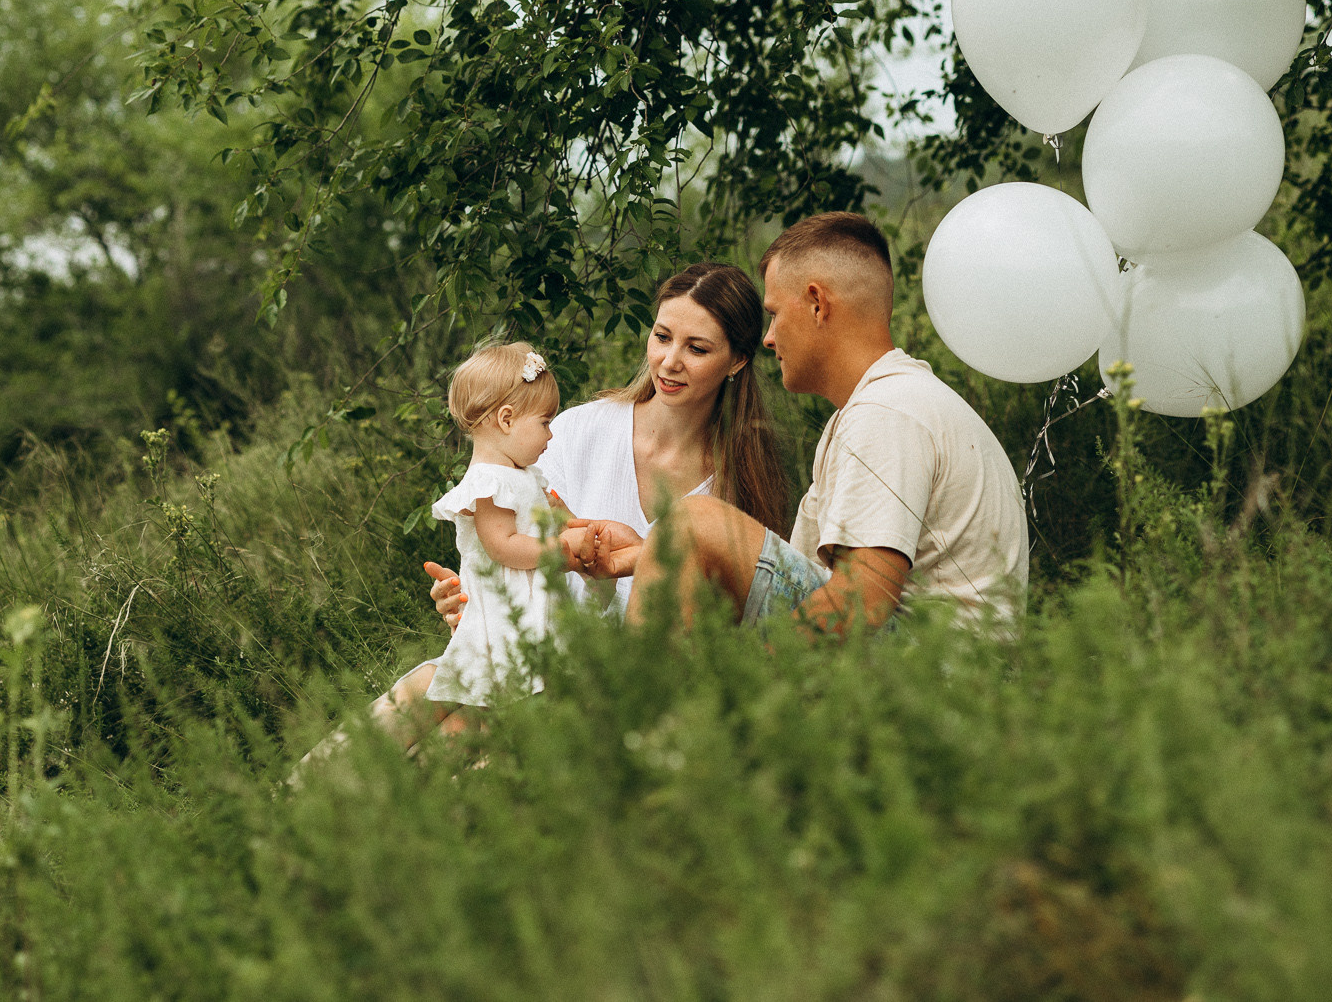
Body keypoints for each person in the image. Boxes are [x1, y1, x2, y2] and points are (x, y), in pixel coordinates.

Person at [379, 263, 792, 735]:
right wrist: (471, 598)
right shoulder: (572, 433)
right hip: (516, 661)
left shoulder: (739, 486)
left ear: (737, 361)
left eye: (697, 348)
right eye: (661, 337)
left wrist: (644, 558)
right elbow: (511, 544)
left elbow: (728, 630)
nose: (670, 361)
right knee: (397, 715)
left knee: (455, 755)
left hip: (607, 696)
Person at [584, 212, 1028, 637]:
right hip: (926, 666)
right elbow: (795, 584)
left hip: (941, 680)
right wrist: (657, 554)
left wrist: (745, 685)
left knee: (694, 520)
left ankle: (642, 710)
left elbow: (861, 602)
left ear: (817, 305)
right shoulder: (883, 406)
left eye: (775, 313)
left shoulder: (886, 413)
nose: (768, 337)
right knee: (684, 534)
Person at [380, 341, 580, 743]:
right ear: (506, 420)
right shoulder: (489, 483)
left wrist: (569, 524)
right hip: (508, 596)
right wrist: (559, 552)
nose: (551, 434)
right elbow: (502, 546)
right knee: (510, 669)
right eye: (544, 422)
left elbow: (545, 520)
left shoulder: (522, 474)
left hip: (529, 590)